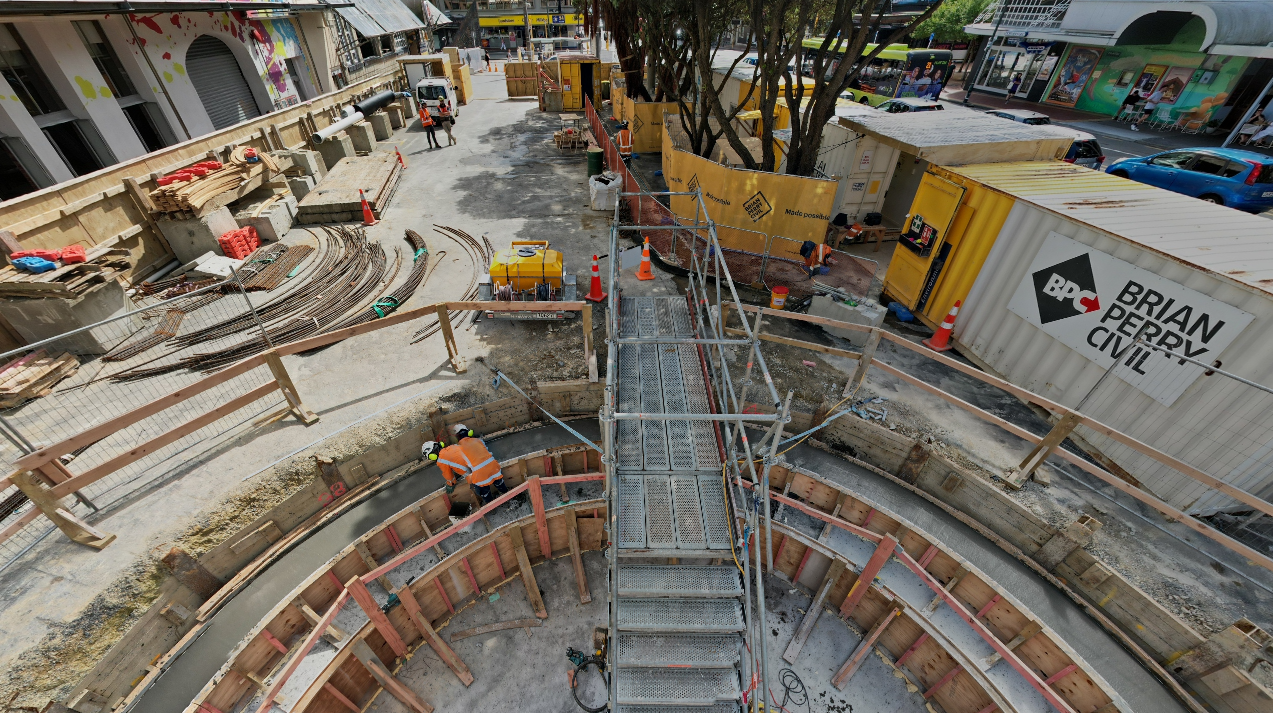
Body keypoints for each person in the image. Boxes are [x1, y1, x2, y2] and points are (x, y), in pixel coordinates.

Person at [422, 424, 509, 504]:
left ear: (432, 456)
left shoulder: (441, 461)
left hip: (475, 474)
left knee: (483, 491)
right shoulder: (454, 446)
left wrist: (450, 484)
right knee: (498, 482)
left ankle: (491, 505)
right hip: (493, 469)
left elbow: (449, 476)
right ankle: (506, 496)